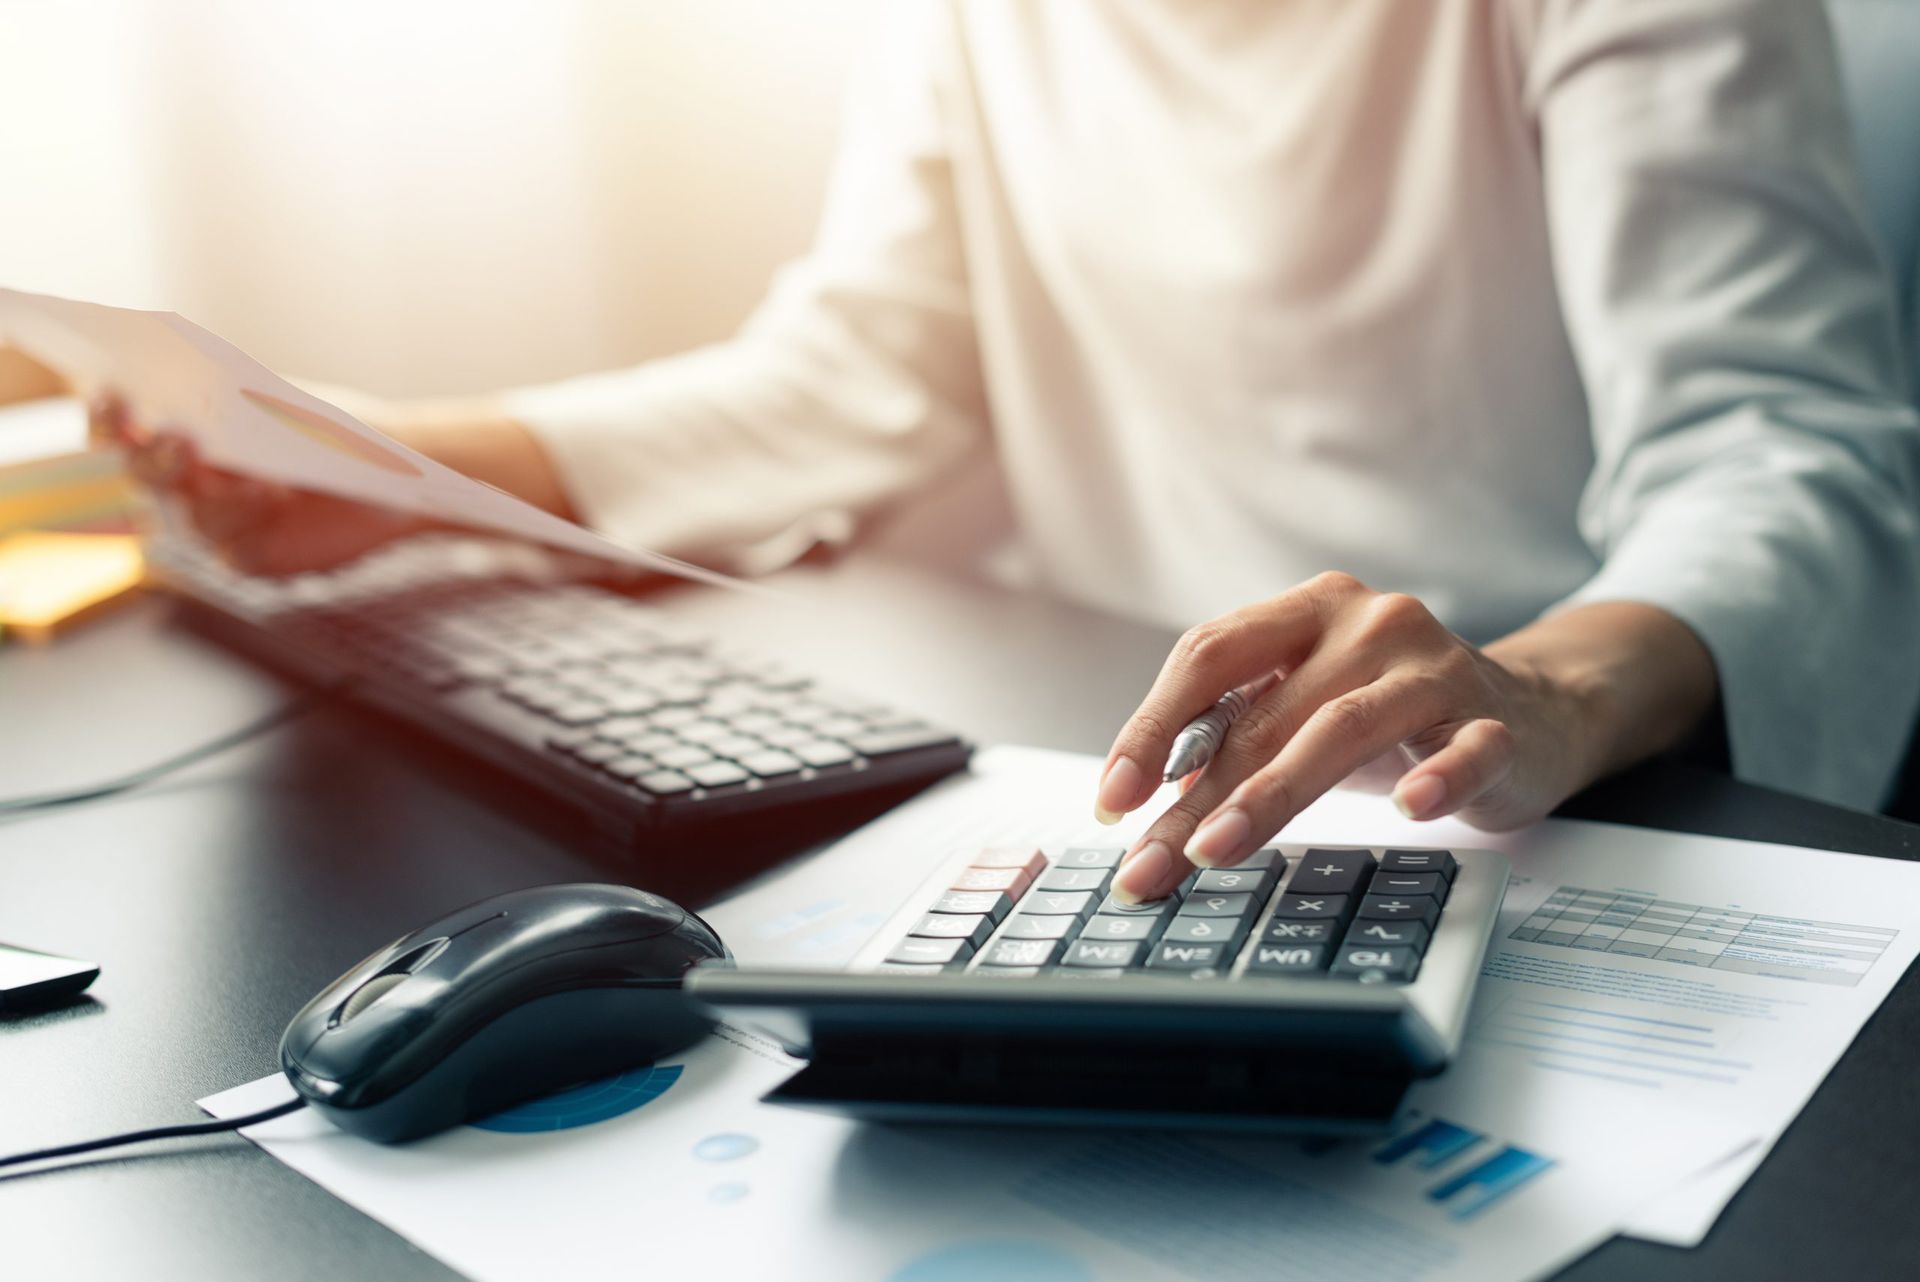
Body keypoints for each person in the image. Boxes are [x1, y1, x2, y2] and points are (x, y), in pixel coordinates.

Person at [94, 1, 1920, 904]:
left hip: (1494, 789)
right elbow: (860, 372)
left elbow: (1779, 448)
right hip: (1081, 755)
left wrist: (1541, 686)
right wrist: (392, 464)